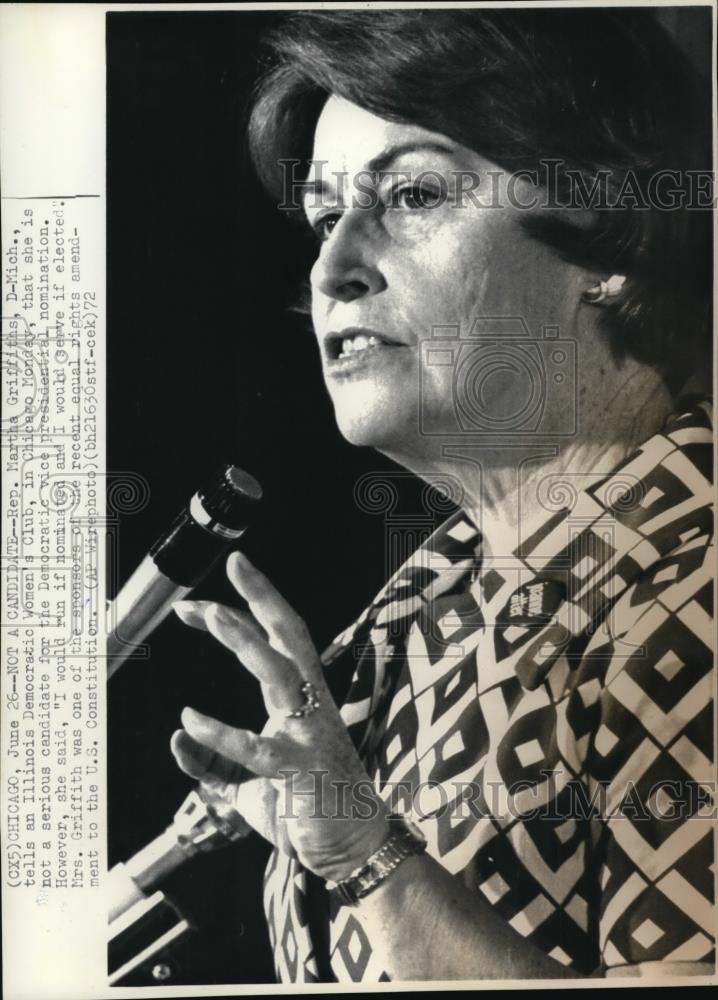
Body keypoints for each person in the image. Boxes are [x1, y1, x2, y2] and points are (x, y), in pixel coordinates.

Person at [169, 8, 714, 982]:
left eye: (413, 195)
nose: (332, 269)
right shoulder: (409, 614)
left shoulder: (697, 585)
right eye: (324, 215)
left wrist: (364, 857)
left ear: (613, 244)